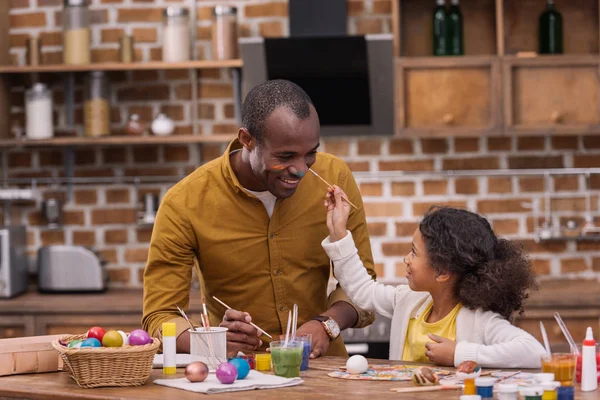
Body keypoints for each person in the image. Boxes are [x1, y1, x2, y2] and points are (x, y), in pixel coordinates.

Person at [142, 79, 377, 358]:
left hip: (322, 369)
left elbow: (363, 287)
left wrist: (327, 324)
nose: (301, 170)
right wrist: (209, 340)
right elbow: (160, 315)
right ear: (247, 140)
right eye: (286, 156)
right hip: (238, 374)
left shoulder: (335, 178)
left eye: (310, 153)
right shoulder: (185, 202)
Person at [321, 186, 547, 368]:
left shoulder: (479, 321)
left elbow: (535, 352)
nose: (406, 259)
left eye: (414, 252)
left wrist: (459, 353)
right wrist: (339, 232)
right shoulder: (408, 301)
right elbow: (363, 291)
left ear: (442, 272)